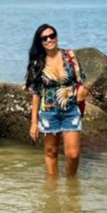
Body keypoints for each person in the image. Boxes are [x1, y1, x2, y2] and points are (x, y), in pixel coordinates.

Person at [25, 24, 87, 177]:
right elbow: (36, 93)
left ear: (56, 36)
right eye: (44, 38)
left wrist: (81, 90)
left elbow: (82, 79)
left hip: (70, 110)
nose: (49, 40)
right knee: (51, 151)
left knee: (73, 154)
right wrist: (34, 123)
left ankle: (71, 183)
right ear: (40, 42)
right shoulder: (37, 63)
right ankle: (52, 186)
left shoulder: (69, 56)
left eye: (52, 36)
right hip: (48, 112)